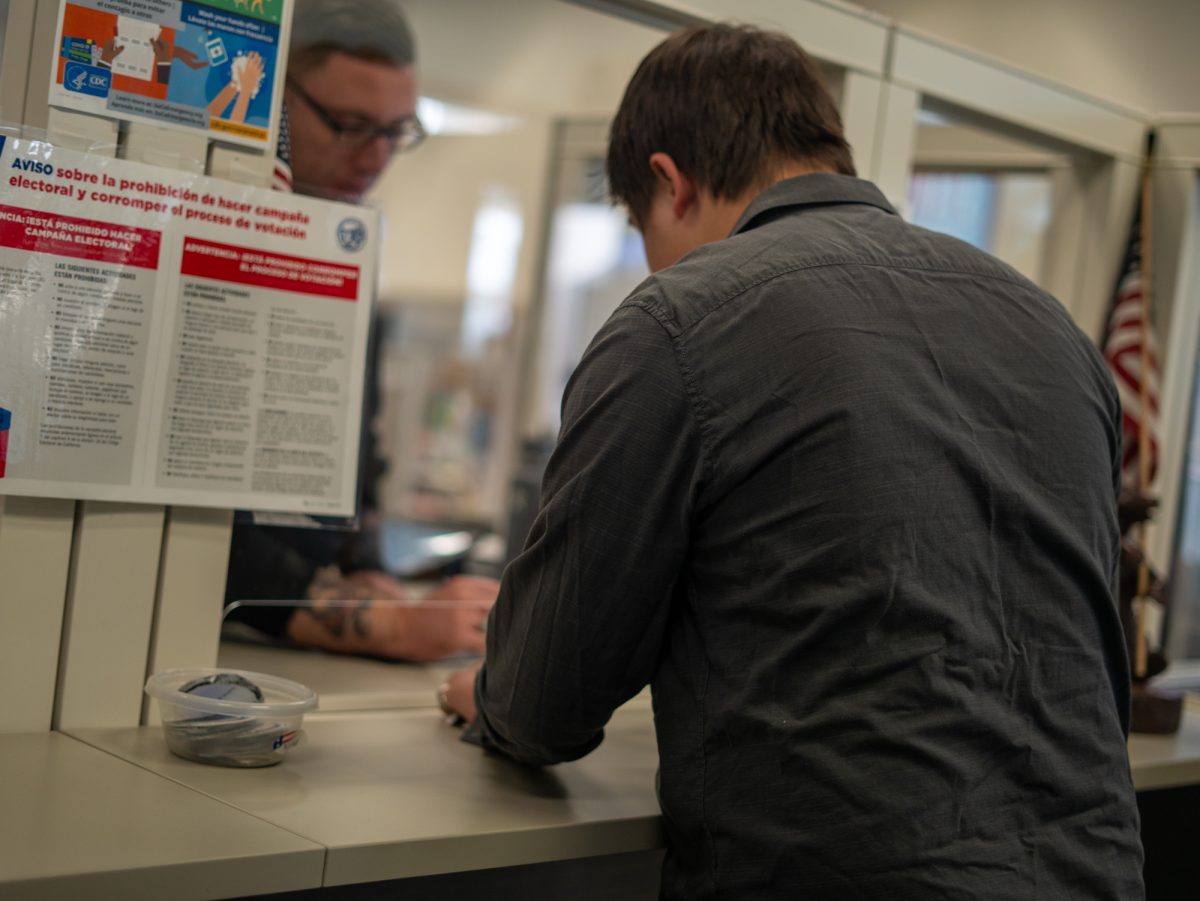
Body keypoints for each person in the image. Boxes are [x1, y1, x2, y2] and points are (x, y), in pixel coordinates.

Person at [441, 23, 1144, 899]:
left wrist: (489, 693)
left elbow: (548, 697)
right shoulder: (1052, 330)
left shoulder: (678, 321)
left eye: (640, 224)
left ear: (670, 181)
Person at [223, 0, 497, 662]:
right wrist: (382, 625)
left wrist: (363, 563)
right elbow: (193, 511)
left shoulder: (343, 242)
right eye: (349, 125)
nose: (377, 156)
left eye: (396, 129)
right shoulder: (220, 234)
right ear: (275, 97)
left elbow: (353, 445)